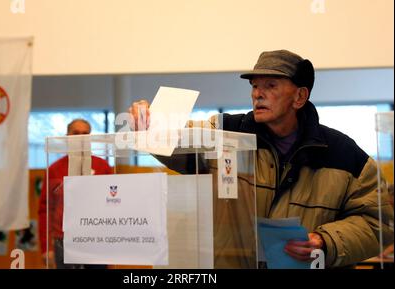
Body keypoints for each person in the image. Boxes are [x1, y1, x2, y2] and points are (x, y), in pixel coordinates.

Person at [129, 50, 394, 268]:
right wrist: (151, 122)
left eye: (270, 85)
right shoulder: (225, 133)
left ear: (300, 96)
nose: (258, 93)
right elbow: (179, 139)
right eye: (255, 86)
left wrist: (326, 241)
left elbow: (377, 223)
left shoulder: (344, 154)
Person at [38, 119, 113, 269]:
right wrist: (47, 247)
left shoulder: (103, 167)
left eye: (85, 134)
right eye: (76, 133)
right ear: (67, 137)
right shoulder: (54, 169)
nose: (80, 137)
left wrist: (112, 248)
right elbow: (45, 211)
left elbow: (112, 208)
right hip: (64, 240)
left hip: (97, 240)